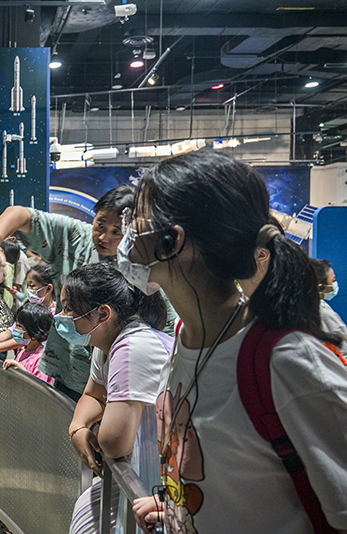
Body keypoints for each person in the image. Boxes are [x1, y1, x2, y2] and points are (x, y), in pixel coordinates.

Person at [122, 150, 347, 533]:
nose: (128, 231)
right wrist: (181, 509)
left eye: (136, 219)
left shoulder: (285, 359)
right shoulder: (186, 337)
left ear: (171, 241)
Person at [0, 186, 175, 400]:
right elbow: (19, 214)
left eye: (116, 232)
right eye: (100, 225)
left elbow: (166, 332)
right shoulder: (77, 237)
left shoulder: (144, 268)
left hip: (118, 378)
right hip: (65, 369)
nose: (104, 237)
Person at [59, 263, 171, 534]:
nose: (62, 316)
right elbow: (93, 395)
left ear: (103, 314)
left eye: (68, 309)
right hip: (143, 469)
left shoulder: (133, 347)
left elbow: (113, 442)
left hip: (161, 478)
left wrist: (96, 430)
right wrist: (78, 428)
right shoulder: (106, 342)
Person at [0, 264, 57, 362]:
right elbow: (9, 333)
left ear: (48, 288)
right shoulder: (29, 308)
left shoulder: (54, 315)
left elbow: (23, 340)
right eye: (27, 285)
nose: (28, 290)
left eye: (32, 286)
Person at [1, 302, 55, 385]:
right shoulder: (23, 350)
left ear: (34, 332)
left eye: (19, 326)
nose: (15, 329)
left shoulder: (42, 360)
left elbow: (39, 387)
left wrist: (18, 367)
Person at [311, 258, 347, 351]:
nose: (335, 284)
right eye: (333, 280)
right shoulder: (324, 314)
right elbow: (343, 350)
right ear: (320, 287)